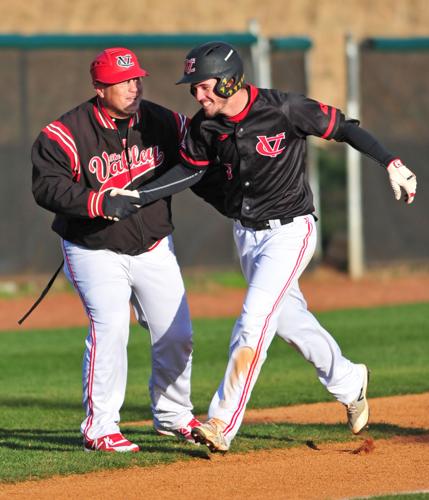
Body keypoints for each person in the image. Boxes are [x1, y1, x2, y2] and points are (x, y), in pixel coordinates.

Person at [117, 41, 417, 453]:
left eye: (203, 86)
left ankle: (223, 421)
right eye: (193, 89)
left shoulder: (283, 109)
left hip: (291, 231)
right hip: (246, 235)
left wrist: (392, 163)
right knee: (289, 319)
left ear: (229, 81)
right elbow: (189, 171)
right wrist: (138, 195)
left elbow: (344, 128)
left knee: (254, 318)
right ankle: (349, 380)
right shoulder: (205, 127)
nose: (197, 95)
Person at [31, 47, 201, 452]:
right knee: (111, 326)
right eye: (122, 80)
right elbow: (47, 184)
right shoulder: (67, 132)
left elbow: (199, 151)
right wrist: (97, 202)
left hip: (153, 244)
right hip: (93, 248)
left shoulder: (163, 121)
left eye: (136, 78)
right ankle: (100, 426)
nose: (133, 86)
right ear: (99, 87)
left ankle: (173, 414)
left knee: (177, 333)